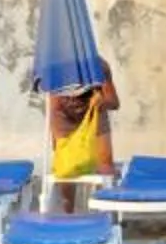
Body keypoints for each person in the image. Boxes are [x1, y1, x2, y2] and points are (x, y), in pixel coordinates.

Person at [45, 70, 118, 212]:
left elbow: (114, 102)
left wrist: (102, 101)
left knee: (105, 164)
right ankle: (68, 211)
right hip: (61, 110)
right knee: (66, 166)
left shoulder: (99, 66)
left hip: (94, 108)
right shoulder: (54, 67)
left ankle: (106, 213)